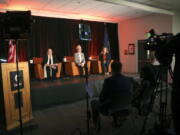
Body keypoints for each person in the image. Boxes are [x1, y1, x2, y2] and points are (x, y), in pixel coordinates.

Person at [91, 61, 131, 130]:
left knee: (93, 102)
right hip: (126, 106)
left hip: (111, 108)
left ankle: (96, 126)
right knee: (114, 99)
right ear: (121, 69)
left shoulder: (108, 81)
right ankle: (116, 120)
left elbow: (102, 99)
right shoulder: (128, 80)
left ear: (111, 69)